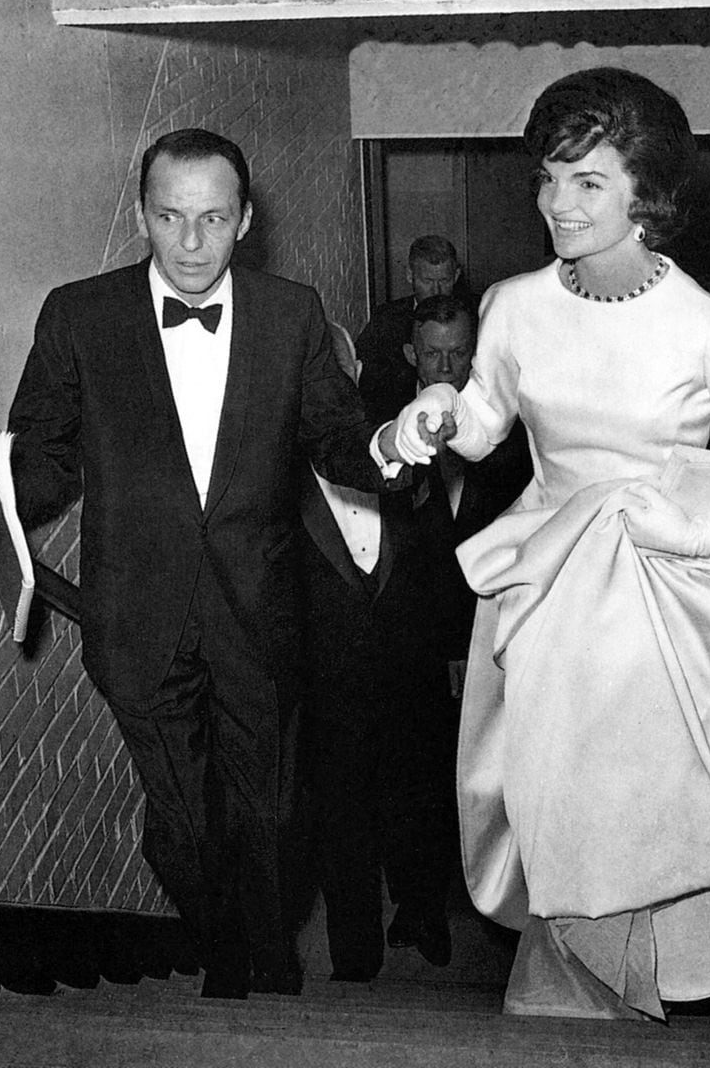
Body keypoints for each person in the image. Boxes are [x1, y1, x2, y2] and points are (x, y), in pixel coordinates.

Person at [385, 68, 710, 1020]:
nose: (556, 203)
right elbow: (484, 421)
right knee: (549, 791)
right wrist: (438, 413)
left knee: (633, 806)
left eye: (587, 182)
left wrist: (706, 528)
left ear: (651, 195)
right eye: (548, 178)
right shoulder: (512, 304)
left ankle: (617, 994)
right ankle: (574, 996)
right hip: (544, 582)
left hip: (656, 589)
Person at [0, 129, 411, 1000]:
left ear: (245, 221)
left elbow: (342, 443)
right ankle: (223, 942)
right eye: (169, 217)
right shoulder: (79, 314)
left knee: (269, 809)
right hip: (135, 612)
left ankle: (263, 967)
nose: (191, 245)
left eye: (212, 219)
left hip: (257, 612)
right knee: (181, 816)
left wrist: (394, 442)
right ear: (142, 215)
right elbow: (47, 454)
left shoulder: (290, 312)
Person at [299, 322, 458, 981]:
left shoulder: (399, 444)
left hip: (409, 670)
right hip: (328, 685)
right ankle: (353, 958)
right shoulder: (277, 477)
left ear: (357, 374)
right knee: (341, 822)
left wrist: (448, 649)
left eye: (338, 375)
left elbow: (437, 554)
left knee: (418, 802)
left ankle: (424, 917)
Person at [404, 294, 532, 697]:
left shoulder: (517, 433)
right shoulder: (387, 430)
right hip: (417, 647)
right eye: (432, 353)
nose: (445, 368)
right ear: (412, 354)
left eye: (459, 353)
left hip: (496, 637)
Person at [356, 235, 469, 423]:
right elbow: (368, 389)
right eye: (427, 281)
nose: (437, 290)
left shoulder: (477, 315)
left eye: (445, 280)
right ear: (410, 275)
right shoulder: (386, 321)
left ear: (456, 276)